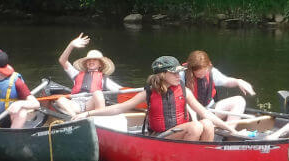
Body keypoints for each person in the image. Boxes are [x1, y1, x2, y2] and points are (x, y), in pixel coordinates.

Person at [74, 56, 237, 141]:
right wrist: (88, 114)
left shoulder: (184, 90)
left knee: (207, 124)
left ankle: (203, 158)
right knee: (195, 127)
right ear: (162, 74)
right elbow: (118, 108)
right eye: (173, 72)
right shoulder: (149, 92)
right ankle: (188, 159)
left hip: (181, 132)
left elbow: (206, 113)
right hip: (160, 136)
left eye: (178, 72)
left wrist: (231, 130)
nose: (177, 75)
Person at [54, 33, 123, 115]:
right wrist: (71, 45)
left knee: (98, 94)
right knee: (61, 99)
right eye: (89, 60)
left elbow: (121, 90)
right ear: (86, 63)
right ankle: (74, 117)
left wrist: (140, 93)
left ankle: (99, 118)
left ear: (100, 64)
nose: (91, 61)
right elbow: (62, 60)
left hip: (91, 105)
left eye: (94, 59)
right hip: (76, 104)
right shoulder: (76, 74)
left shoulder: (104, 79)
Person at [180, 50, 255, 122]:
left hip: (209, 110)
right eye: (199, 74)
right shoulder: (181, 75)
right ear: (191, 70)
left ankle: (230, 131)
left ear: (209, 66)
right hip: (191, 113)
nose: (203, 75)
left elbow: (227, 81)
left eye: (205, 72)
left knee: (239, 100)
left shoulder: (211, 71)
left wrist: (238, 81)